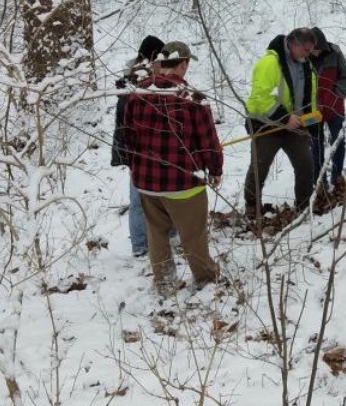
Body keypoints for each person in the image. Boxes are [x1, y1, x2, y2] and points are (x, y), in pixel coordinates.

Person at [123, 41, 222, 293]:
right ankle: (205, 280)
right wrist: (216, 169)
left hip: (147, 183)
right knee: (194, 236)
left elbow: (127, 138)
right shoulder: (192, 98)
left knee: (157, 235)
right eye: (186, 64)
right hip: (184, 185)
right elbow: (208, 142)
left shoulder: (137, 94)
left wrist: (137, 169)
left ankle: (164, 282)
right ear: (183, 64)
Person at [244, 28, 318, 214]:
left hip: (295, 126)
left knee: (305, 164)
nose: (308, 54)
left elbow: (309, 96)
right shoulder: (270, 63)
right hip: (267, 125)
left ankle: (303, 207)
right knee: (259, 168)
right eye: (305, 50)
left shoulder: (305, 64)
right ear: (293, 45)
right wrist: (284, 117)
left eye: (310, 50)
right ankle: (253, 208)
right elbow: (261, 97)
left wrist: (310, 120)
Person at [111, 35, 164, 257]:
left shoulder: (142, 76)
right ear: (152, 57)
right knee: (138, 197)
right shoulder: (136, 80)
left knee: (159, 194)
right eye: (160, 57)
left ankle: (162, 236)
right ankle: (141, 245)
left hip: (150, 146)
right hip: (138, 148)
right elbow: (127, 120)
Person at [309, 27, 346, 188]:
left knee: (338, 141)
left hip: (335, 109)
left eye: (317, 48)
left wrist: (336, 95)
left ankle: (337, 177)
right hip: (312, 112)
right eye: (312, 49)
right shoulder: (303, 59)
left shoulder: (335, 54)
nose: (314, 52)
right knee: (315, 145)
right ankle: (319, 182)